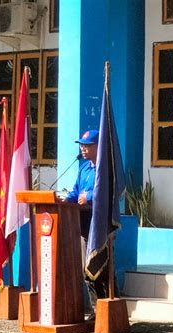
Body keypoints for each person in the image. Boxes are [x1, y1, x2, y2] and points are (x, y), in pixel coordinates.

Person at [63, 129, 109, 320]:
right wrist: (65, 200)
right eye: (82, 145)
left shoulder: (104, 169)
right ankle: (95, 309)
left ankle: (107, 309)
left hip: (99, 224)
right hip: (83, 224)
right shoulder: (83, 169)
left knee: (101, 267)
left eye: (87, 145)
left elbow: (108, 191)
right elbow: (75, 192)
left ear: (98, 147)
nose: (83, 148)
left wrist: (88, 197)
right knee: (87, 268)